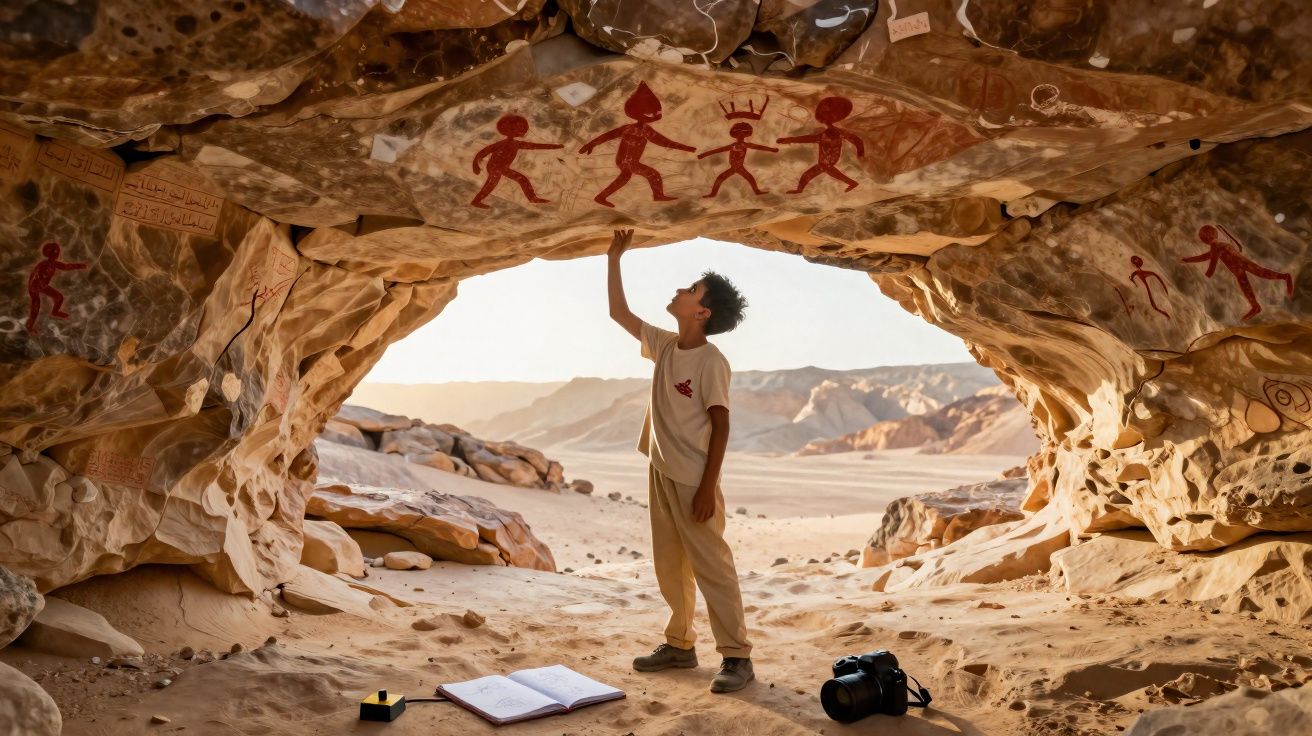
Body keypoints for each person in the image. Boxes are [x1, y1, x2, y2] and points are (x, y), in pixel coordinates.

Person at [605, 228, 754, 693]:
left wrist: (709, 487)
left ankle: (737, 657)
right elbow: (618, 313)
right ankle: (680, 646)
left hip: (695, 479)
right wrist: (615, 257)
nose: (680, 291)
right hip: (661, 469)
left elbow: (722, 424)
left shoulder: (712, 361)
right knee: (670, 564)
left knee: (712, 566)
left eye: (691, 290)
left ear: (702, 312)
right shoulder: (666, 345)